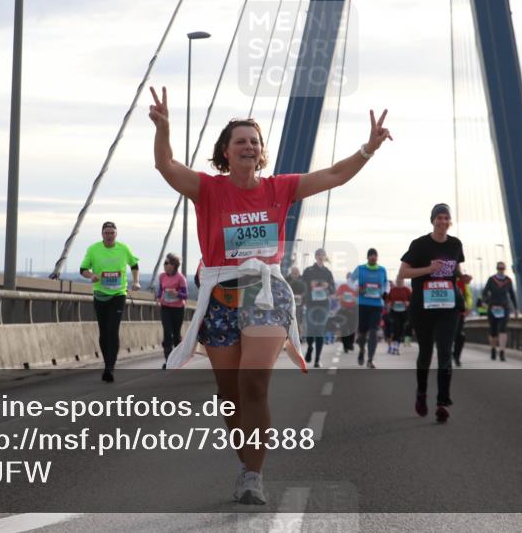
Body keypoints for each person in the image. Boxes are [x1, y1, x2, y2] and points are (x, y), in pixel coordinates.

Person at [151, 86, 391, 504]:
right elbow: (166, 165)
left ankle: (253, 475)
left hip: (267, 294)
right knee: (229, 395)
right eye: (240, 141)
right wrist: (165, 128)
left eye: (254, 142)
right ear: (225, 151)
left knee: (255, 381)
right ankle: (246, 462)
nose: (248, 146)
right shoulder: (208, 189)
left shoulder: (280, 188)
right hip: (222, 297)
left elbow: (333, 174)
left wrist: (367, 149)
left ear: (261, 153)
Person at [400, 203, 466, 423]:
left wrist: (463, 277)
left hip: (448, 307)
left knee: (446, 351)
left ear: (450, 222)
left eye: (446, 218)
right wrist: (428, 270)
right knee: (426, 353)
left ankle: (442, 402)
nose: (443, 222)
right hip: (423, 308)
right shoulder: (419, 245)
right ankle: (421, 394)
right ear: (432, 220)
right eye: (439, 218)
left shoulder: (456, 244)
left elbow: (456, 270)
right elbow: (403, 273)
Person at [80, 221, 140, 383]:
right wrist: (90, 275)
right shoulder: (93, 249)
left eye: (112, 233)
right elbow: (83, 269)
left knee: (113, 330)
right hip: (100, 294)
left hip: (118, 295)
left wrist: (135, 281)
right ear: (102, 234)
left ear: (116, 234)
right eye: (106, 233)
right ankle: (107, 362)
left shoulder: (123, 248)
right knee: (103, 331)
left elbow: (134, 265)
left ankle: (109, 368)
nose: (109, 236)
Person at [350, 248, 389, 368]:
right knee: (362, 333)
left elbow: (386, 283)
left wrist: (385, 292)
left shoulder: (382, 270)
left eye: (375, 255)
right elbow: (350, 281)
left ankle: (370, 359)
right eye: (371, 255)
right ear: (367, 257)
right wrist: (357, 289)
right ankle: (362, 350)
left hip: (376, 305)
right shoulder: (360, 268)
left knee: (373, 332)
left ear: (377, 257)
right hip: (362, 304)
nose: (373, 257)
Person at [301, 249, 335, 368]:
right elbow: (301, 285)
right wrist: (310, 287)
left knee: (320, 331)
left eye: (322, 255)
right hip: (311, 304)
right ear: (315, 257)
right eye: (319, 255)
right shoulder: (308, 271)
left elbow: (333, 289)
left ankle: (317, 359)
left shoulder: (328, 272)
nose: (321, 257)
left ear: (325, 257)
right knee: (311, 330)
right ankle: (310, 347)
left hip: (324, 305)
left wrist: (327, 287)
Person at [157, 253, 188, 369]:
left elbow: (185, 295)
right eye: (164, 263)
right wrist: (158, 297)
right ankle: (168, 361)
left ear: (174, 265)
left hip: (178, 309)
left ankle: (177, 360)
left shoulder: (181, 278)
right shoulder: (162, 276)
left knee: (176, 336)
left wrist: (177, 294)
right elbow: (160, 291)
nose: (165, 265)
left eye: (167, 263)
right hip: (165, 308)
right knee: (167, 334)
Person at [482, 261, 518, 361]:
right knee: (493, 331)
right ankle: (493, 349)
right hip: (493, 307)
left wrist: (515, 309)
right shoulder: (491, 279)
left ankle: (502, 352)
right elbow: (485, 292)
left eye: (502, 268)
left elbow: (512, 295)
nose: (501, 270)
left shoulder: (508, 280)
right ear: (496, 268)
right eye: (499, 268)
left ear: (505, 269)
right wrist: (484, 302)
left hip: (504, 307)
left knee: (503, 329)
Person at [452, 273, 474, 366]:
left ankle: (456, 357)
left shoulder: (462, 281)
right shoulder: (444, 279)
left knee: (459, 335)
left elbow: (468, 296)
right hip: (444, 312)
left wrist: (468, 307)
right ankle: (445, 352)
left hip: (459, 312)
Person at [387, 276, 411, 355]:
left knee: (401, 329)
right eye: (397, 280)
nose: (399, 281)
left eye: (400, 280)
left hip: (404, 312)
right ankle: (394, 346)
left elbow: (411, 299)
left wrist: (408, 303)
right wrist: (389, 303)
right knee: (396, 327)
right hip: (394, 311)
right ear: (396, 281)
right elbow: (388, 299)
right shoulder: (393, 290)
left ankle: (397, 346)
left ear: (403, 281)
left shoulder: (407, 290)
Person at [335, 275, 359, 355]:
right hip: (344, 309)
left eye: (352, 278)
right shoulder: (342, 286)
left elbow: (360, 299)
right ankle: (345, 345)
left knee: (353, 327)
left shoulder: (356, 287)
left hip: (354, 309)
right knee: (344, 328)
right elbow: (337, 297)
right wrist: (341, 297)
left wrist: (355, 299)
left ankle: (351, 343)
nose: (350, 280)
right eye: (349, 278)